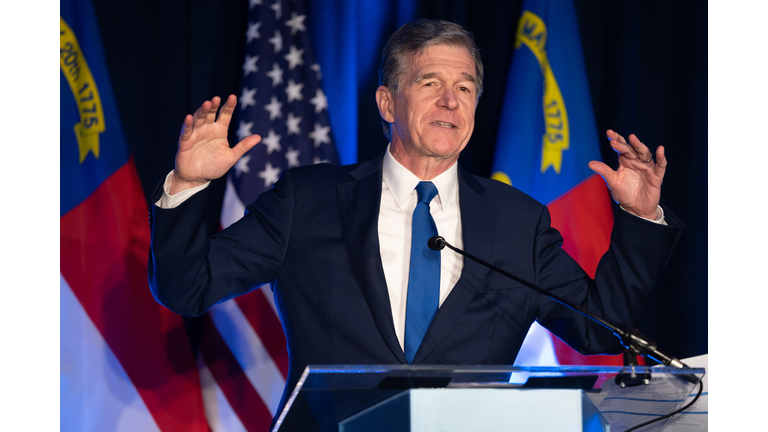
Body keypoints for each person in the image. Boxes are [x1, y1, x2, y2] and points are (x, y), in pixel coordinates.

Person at [149, 19, 682, 426]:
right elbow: (186, 288)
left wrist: (638, 218)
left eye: (466, 87)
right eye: (430, 82)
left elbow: (599, 326)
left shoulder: (517, 221)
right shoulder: (307, 200)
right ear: (387, 101)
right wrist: (188, 183)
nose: (451, 100)